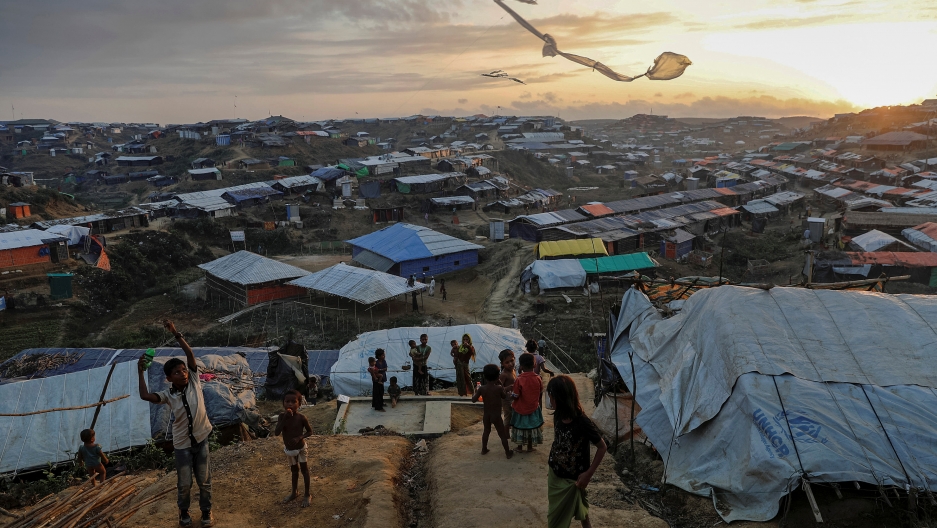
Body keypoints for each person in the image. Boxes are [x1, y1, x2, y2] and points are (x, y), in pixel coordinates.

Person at [137, 320, 214, 528]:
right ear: (169, 379)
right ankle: (184, 512)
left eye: (183, 370)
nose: (183, 373)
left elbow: (189, 355)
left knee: (204, 480)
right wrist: (140, 371)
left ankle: (206, 512)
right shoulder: (167, 395)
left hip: (202, 437)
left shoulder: (195, 380)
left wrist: (175, 333)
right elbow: (144, 395)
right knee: (185, 483)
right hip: (182, 444)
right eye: (177, 372)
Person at [546, 375, 608, 528]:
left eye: (551, 397)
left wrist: (589, 474)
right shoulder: (558, 415)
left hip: (575, 477)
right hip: (556, 472)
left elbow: (602, 447)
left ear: (560, 398)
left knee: (558, 518)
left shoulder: (582, 422)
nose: (549, 401)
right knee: (575, 505)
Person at [275, 390, 313, 508]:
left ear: (299, 404)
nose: (290, 404)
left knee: (304, 470)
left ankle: (307, 494)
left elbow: (310, 432)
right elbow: (277, 433)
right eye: (287, 401)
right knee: (294, 471)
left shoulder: (301, 418)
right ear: (283, 403)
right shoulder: (281, 416)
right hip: (290, 450)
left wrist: (299, 437)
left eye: (293, 402)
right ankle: (294, 492)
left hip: (300, 448)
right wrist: (284, 419)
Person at [473, 364, 514, 459]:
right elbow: (504, 396)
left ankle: (484, 449)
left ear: (485, 376)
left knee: (486, 431)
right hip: (496, 415)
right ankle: (508, 453)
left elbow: (473, 400)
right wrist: (501, 384)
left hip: (486, 415)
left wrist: (476, 390)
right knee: (502, 435)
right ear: (497, 376)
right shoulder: (498, 388)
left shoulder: (482, 388)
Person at [511, 352, 544, 453]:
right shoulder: (538, 378)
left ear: (521, 366)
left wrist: (510, 395)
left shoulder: (519, 379)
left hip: (521, 408)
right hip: (533, 408)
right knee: (531, 428)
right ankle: (530, 447)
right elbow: (540, 392)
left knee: (520, 428)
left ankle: (520, 447)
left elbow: (515, 395)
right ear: (534, 365)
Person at [498, 349, 517, 437]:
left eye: (512, 361)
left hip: (513, 398)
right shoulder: (504, 374)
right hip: (506, 399)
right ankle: (506, 435)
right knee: (508, 416)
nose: (510, 364)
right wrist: (507, 388)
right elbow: (499, 388)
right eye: (507, 362)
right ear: (502, 364)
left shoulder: (513, 371)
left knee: (514, 415)